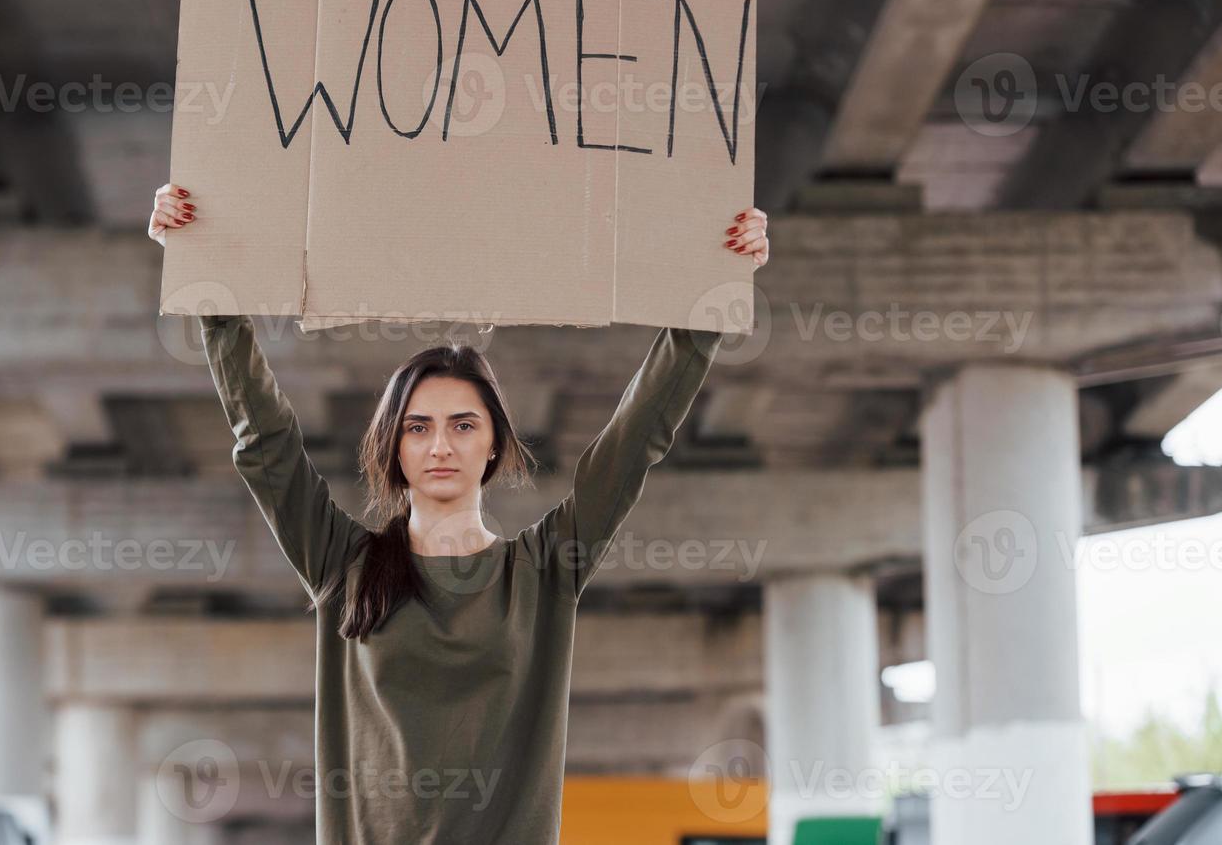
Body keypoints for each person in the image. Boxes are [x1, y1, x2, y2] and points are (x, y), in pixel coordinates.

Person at [148, 182, 769, 844]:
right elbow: (265, 438)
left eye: (461, 424)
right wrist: (206, 280)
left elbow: (635, 438)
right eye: (417, 427)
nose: (439, 444)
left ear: (494, 441)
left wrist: (713, 289)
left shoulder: (545, 569)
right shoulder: (341, 563)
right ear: (392, 445)